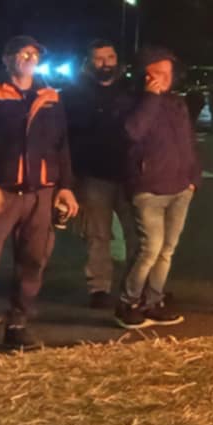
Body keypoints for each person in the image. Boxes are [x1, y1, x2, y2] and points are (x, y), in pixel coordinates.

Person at [0, 37, 80, 354]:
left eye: (34, 54)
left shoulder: (51, 97)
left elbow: (61, 145)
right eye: (22, 53)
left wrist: (65, 187)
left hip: (41, 194)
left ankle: (17, 325)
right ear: (7, 59)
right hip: (1, 193)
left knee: (33, 261)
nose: (29, 58)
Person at [116, 47, 196, 329]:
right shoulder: (131, 101)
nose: (162, 78)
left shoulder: (177, 104)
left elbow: (187, 142)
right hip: (148, 188)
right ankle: (128, 302)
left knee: (167, 250)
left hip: (179, 188)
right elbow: (132, 132)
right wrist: (150, 97)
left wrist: (192, 179)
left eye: (167, 73)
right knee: (149, 249)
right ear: (143, 74)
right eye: (156, 72)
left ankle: (153, 300)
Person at [64, 41, 136, 313]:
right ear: (88, 62)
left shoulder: (131, 91)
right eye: (99, 59)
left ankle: (136, 287)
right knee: (97, 235)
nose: (106, 63)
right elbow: (66, 137)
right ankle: (99, 287)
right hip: (93, 174)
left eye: (110, 57)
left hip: (128, 174)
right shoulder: (74, 95)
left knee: (136, 235)